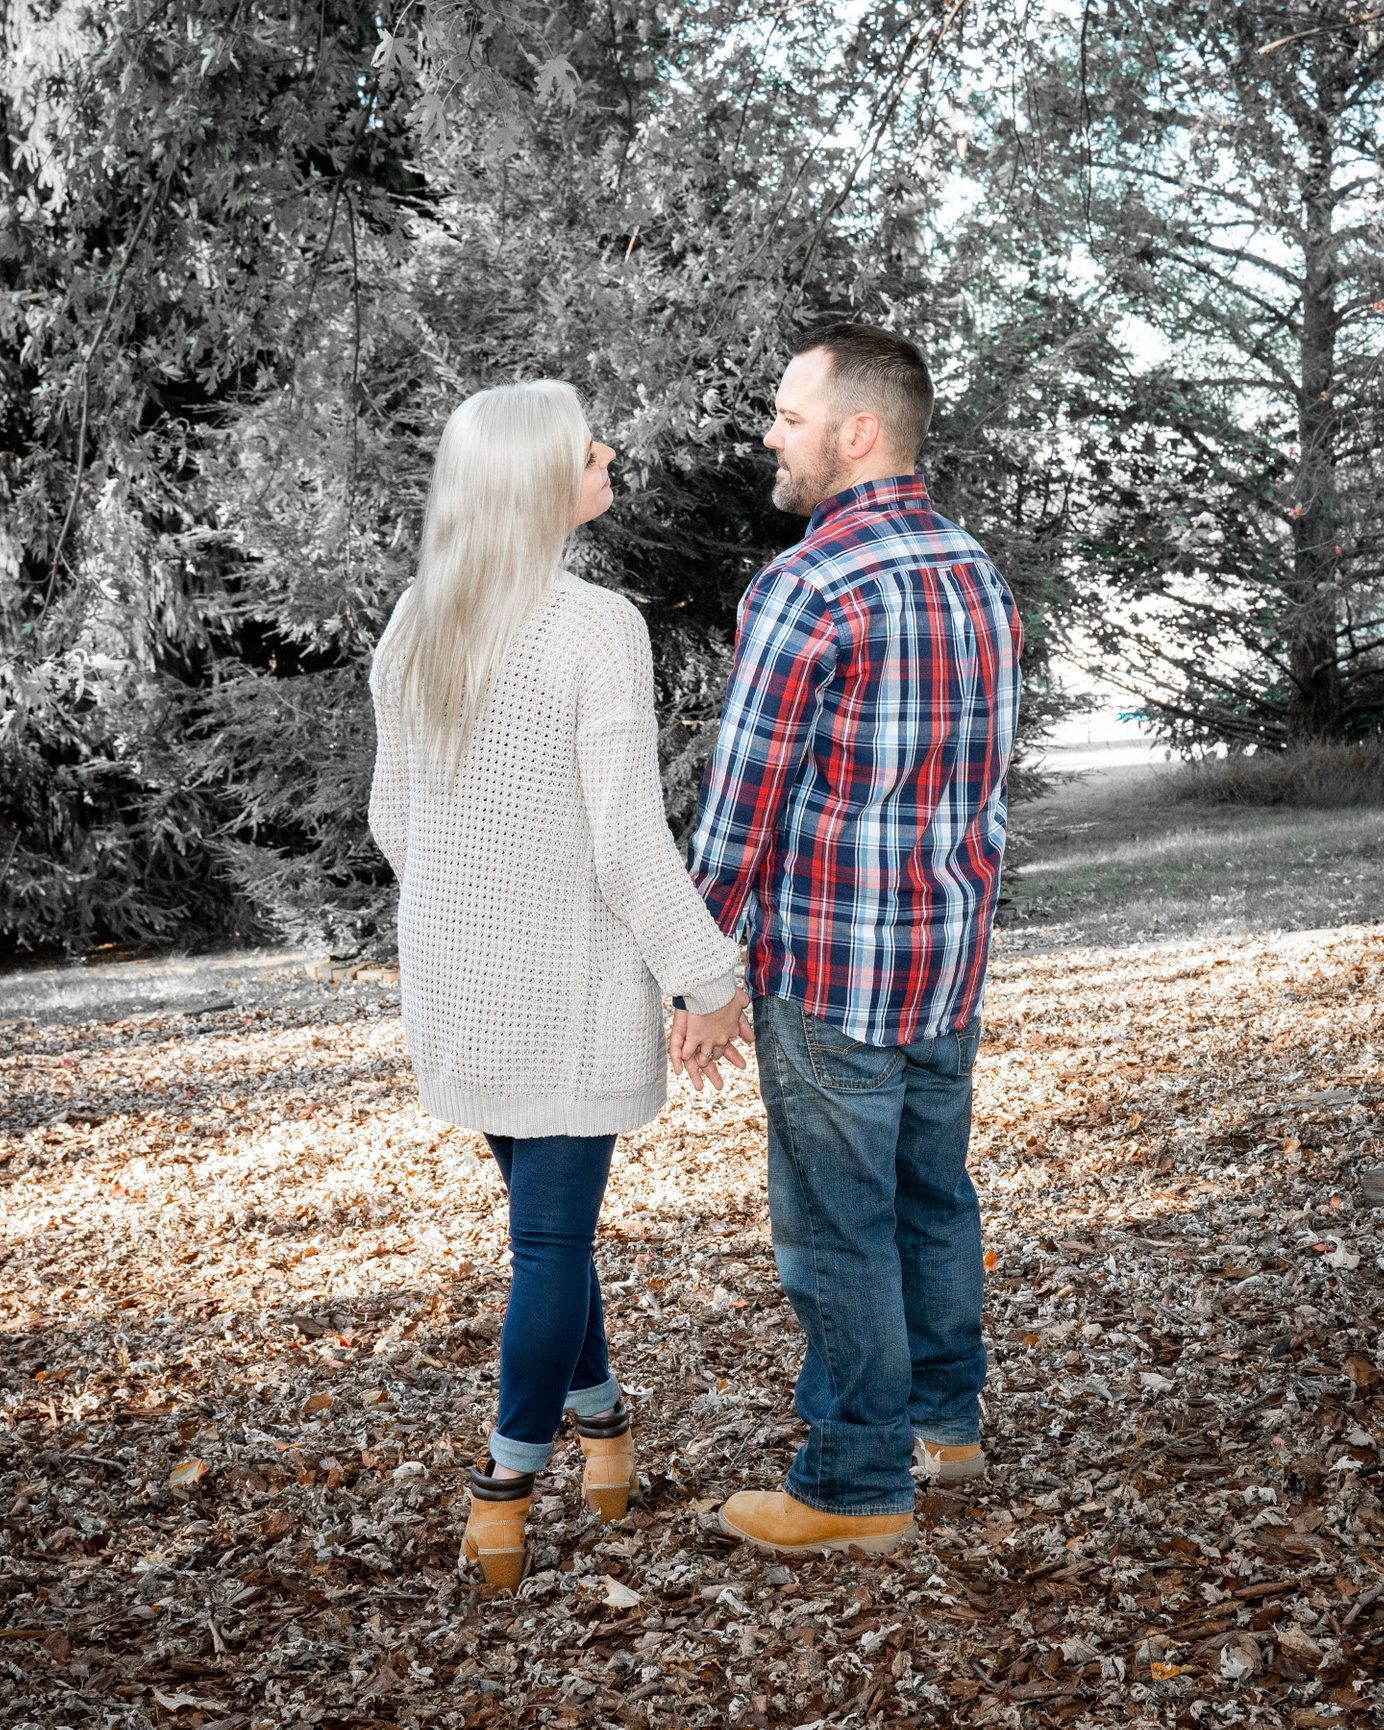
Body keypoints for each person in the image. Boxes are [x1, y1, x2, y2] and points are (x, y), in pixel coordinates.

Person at [367, 380, 752, 1589]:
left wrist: (473, 892)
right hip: (564, 990)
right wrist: (707, 975)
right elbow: (626, 842)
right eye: (583, 441)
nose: (608, 449)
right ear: (536, 477)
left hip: (456, 980)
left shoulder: (416, 617)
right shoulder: (596, 625)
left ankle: (606, 1426)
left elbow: (392, 821)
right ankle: (501, 1492)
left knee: (548, 1236)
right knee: (548, 1243)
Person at [670, 323, 1023, 1555]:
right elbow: (982, 781)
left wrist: (700, 972)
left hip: (829, 969)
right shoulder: (974, 569)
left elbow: (739, 807)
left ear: (856, 432)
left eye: (787, 413)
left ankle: (854, 1482)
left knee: (836, 1223)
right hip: (948, 957)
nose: (770, 434)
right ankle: (945, 1421)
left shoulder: (806, 585)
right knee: (933, 1197)